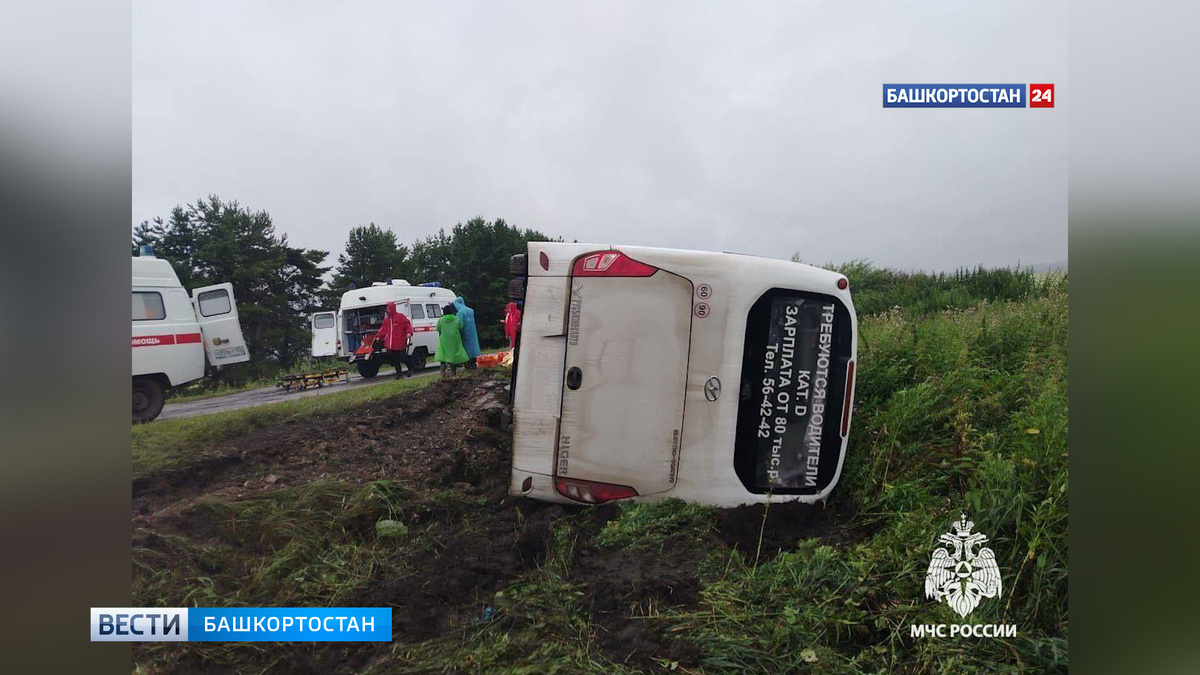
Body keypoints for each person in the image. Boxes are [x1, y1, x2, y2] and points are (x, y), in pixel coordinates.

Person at [371, 301, 414, 379]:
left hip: (401, 342)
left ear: (392, 308)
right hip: (392, 344)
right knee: (395, 360)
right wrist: (378, 337)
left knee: (403, 357)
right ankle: (399, 375)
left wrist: (409, 333)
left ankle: (411, 368)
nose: (387, 310)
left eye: (388, 308)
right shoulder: (387, 320)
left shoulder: (400, 317)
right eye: (387, 309)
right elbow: (383, 330)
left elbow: (407, 325)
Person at [435, 303, 469, 377]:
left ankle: (442, 373)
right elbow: (461, 327)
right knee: (454, 357)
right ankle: (453, 373)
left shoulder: (440, 320)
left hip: (444, 340)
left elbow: (438, 329)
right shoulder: (456, 319)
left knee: (443, 356)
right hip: (455, 340)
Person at [453, 296, 482, 369]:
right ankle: (474, 363)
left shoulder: (460, 312)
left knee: (467, 349)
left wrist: (458, 333)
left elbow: (460, 324)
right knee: (473, 346)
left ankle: (468, 365)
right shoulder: (470, 310)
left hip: (465, 334)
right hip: (472, 332)